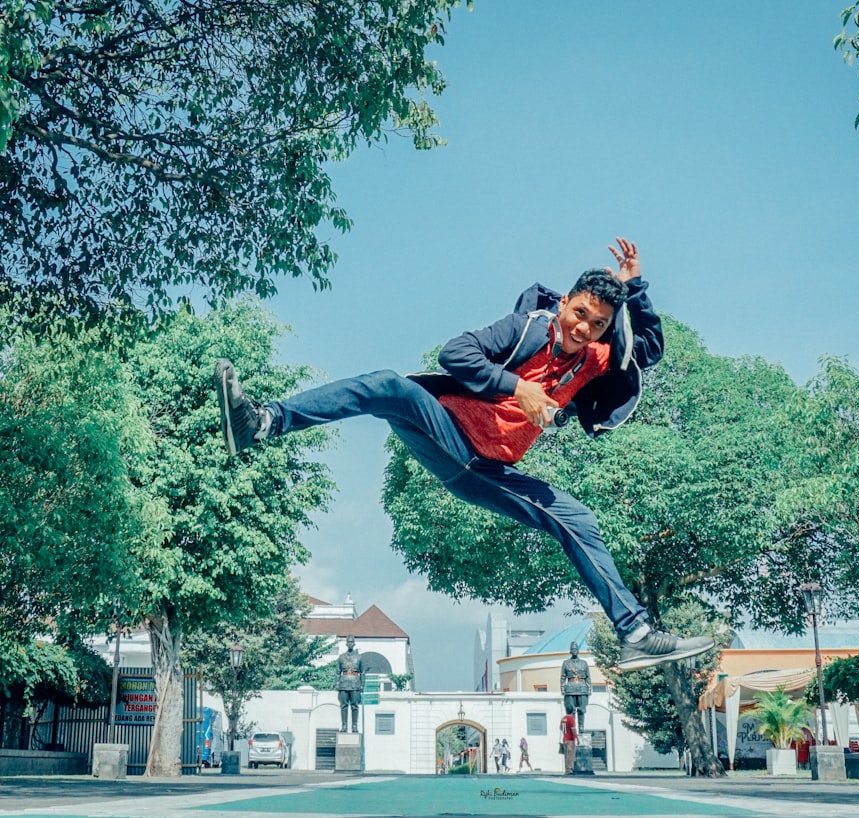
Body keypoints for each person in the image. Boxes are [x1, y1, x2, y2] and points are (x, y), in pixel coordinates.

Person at [215, 237, 714, 670]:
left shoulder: (594, 359)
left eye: (598, 324)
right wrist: (516, 386)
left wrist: (636, 287)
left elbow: (646, 349)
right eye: (580, 314)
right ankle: (262, 422)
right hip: (447, 431)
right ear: (566, 303)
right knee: (386, 385)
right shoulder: (525, 329)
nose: (584, 328)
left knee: (578, 519)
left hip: (487, 470)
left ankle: (634, 633)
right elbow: (454, 354)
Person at [560, 641, 592, 733]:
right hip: (570, 688)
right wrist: (562, 689)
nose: (574, 651)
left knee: (582, 709)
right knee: (571, 710)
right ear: (570, 651)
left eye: (575, 649)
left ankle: (581, 727)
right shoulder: (566, 663)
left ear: (578, 651)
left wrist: (589, 689)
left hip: (582, 688)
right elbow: (563, 677)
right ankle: (572, 728)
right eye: (572, 649)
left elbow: (588, 677)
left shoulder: (584, 663)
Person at [336, 635, 364, 732]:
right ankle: (344, 726)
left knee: (354, 706)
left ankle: (354, 726)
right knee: (343, 705)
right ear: (346, 644)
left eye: (352, 642)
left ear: (354, 643)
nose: (350, 644)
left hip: (355, 683)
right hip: (343, 683)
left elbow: (362, 672)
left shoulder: (359, 657)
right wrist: (337, 684)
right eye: (349, 642)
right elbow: (337, 672)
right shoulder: (341, 657)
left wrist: (362, 685)